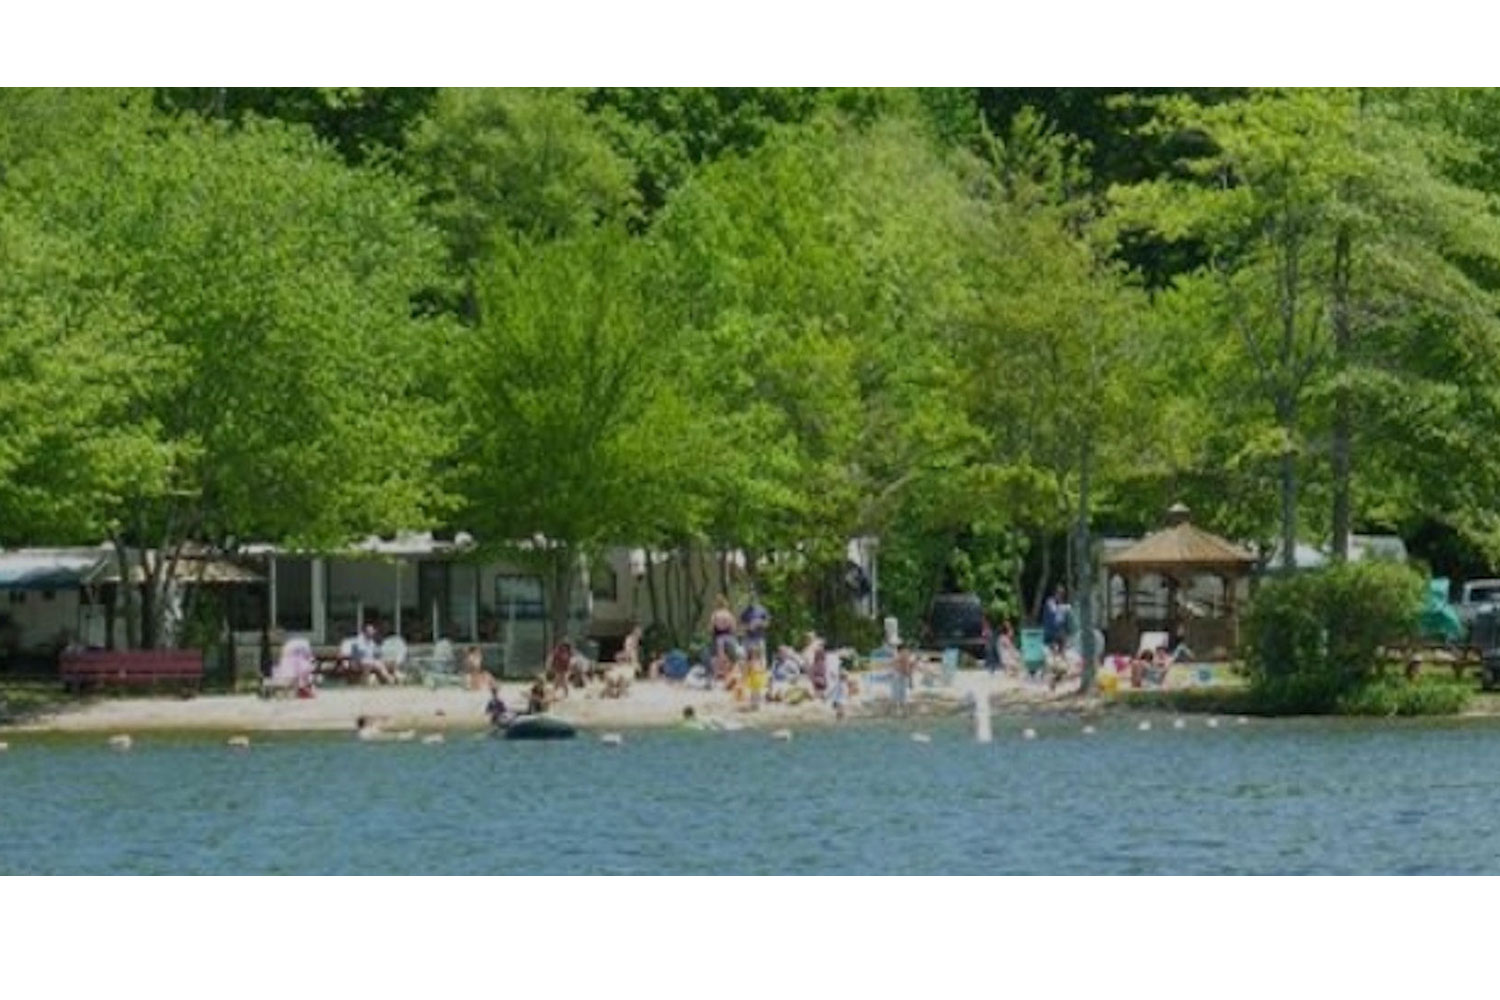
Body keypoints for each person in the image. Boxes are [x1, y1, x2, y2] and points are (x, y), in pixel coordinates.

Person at [739, 593, 771, 662]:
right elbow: (740, 626)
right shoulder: (745, 612)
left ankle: (763, 671)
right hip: (748, 638)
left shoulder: (762, 610)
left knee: (762, 656)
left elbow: (767, 624)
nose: (751, 600)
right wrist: (748, 627)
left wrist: (759, 623)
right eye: (750, 598)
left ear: (756, 598)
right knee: (746, 656)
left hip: (759, 637)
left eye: (753, 598)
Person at [1042, 585, 1071, 655]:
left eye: (1062, 595)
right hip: (1050, 631)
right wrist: (1066, 608)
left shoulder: (1060, 603)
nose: (1061, 596)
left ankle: (1061, 653)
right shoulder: (1050, 601)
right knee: (1061, 635)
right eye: (1059, 594)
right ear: (1055, 593)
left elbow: (1061, 619)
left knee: (1063, 634)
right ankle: (1057, 651)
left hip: (1058, 631)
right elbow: (1054, 611)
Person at [710, 595, 737, 662]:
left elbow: (711, 628)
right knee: (733, 656)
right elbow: (733, 627)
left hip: (719, 637)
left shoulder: (715, 614)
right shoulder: (728, 614)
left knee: (720, 656)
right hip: (729, 637)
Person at [892, 641, 915, 717]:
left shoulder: (898, 656)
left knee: (899, 694)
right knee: (902, 694)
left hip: (899, 675)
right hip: (901, 675)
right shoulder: (904, 655)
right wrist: (910, 679)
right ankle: (903, 711)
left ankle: (899, 711)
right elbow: (907, 667)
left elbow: (906, 667)